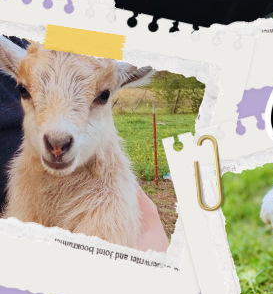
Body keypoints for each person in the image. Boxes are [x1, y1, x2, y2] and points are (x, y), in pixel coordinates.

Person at [0, 36, 169, 252]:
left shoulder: (111, 216)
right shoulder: (20, 190)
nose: (57, 137)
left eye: (102, 96)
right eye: (25, 92)